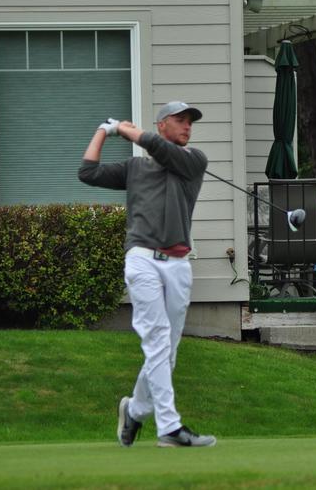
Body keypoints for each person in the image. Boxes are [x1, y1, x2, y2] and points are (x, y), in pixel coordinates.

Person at [78, 101, 216, 448]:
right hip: (142, 259)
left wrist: (129, 131)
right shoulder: (135, 168)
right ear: (162, 124)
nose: (187, 126)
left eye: (190, 121)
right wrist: (104, 131)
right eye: (180, 120)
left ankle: (135, 411)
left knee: (167, 352)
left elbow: (156, 147)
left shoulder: (194, 161)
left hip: (178, 264)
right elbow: (88, 173)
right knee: (156, 341)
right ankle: (169, 428)